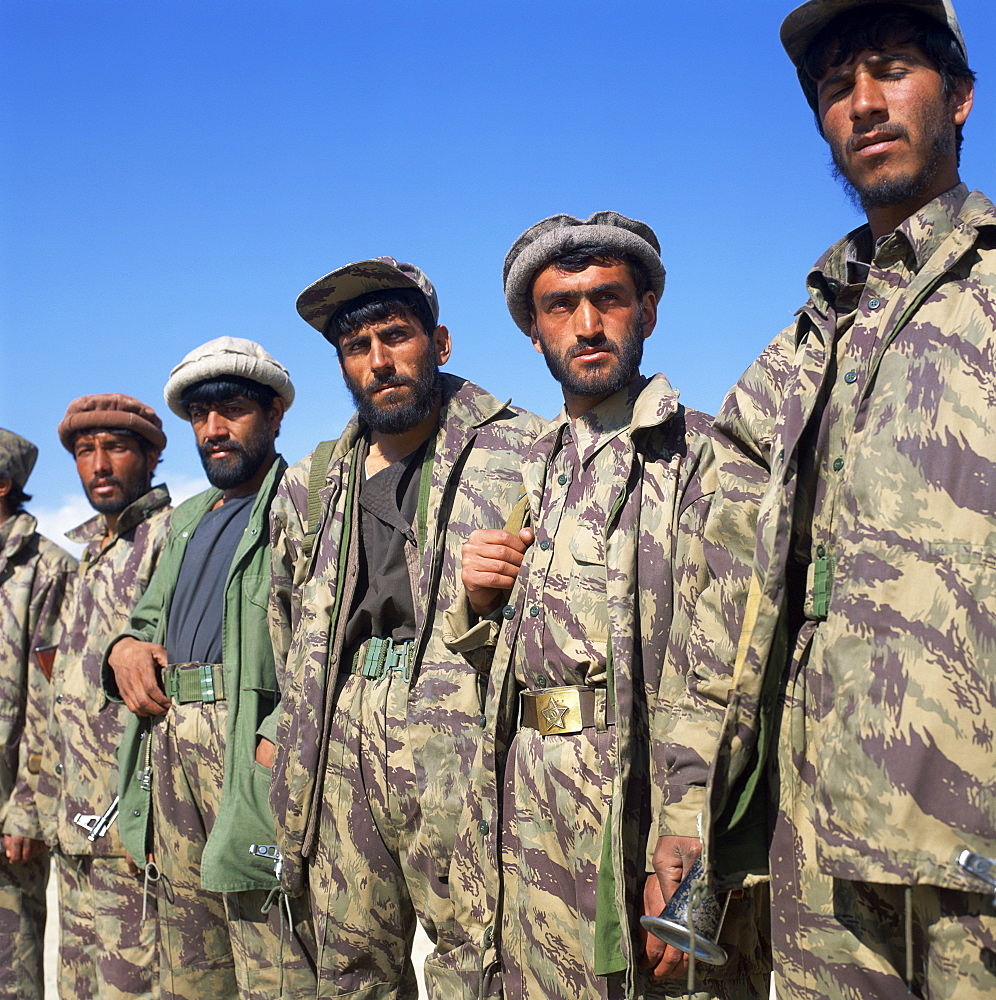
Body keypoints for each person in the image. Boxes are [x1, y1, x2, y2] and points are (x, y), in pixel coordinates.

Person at [656, 2, 996, 998]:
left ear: (962, 96)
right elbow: (719, 598)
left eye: (892, 70)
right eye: (837, 89)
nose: (864, 102)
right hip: (817, 851)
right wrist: (687, 804)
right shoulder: (799, 348)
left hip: (971, 841)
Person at [450, 212, 771, 1000]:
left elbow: (726, 672)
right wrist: (476, 604)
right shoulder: (522, 470)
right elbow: (499, 674)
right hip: (527, 812)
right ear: (534, 331)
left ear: (649, 312)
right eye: (561, 306)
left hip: (642, 813)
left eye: (609, 299)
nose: (587, 324)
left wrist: (686, 833)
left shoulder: (707, 458)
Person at [267, 256, 542, 997]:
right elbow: (283, 618)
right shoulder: (315, 479)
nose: (378, 361)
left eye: (396, 336)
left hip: (463, 733)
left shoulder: (524, 450)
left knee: (475, 955)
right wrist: (286, 728)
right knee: (350, 965)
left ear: (441, 343)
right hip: (343, 728)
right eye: (357, 348)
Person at [105, 337, 317, 1000]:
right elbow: (142, 623)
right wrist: (123, 651)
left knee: (273, 959)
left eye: (232, 410)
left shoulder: (305, 504)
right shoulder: (188, 519)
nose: (214, 429)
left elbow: (325, 637)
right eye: (200, 415)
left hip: (250, 748)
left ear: (276, 412)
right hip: (171, 745)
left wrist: (274, 740)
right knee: (188, 963)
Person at [45, 394, 171, 999]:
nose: (98, 464)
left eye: (116, 448)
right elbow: (59, 701)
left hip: (133, 841)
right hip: (75, 833)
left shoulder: (171, 539)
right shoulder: (89, 557)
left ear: (150, 456)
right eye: (84, 451)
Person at [0, 429, 76, 999]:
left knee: (12, 959)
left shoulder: (47, 570)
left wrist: (28, 805)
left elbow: (52, 701)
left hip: (8, 807)